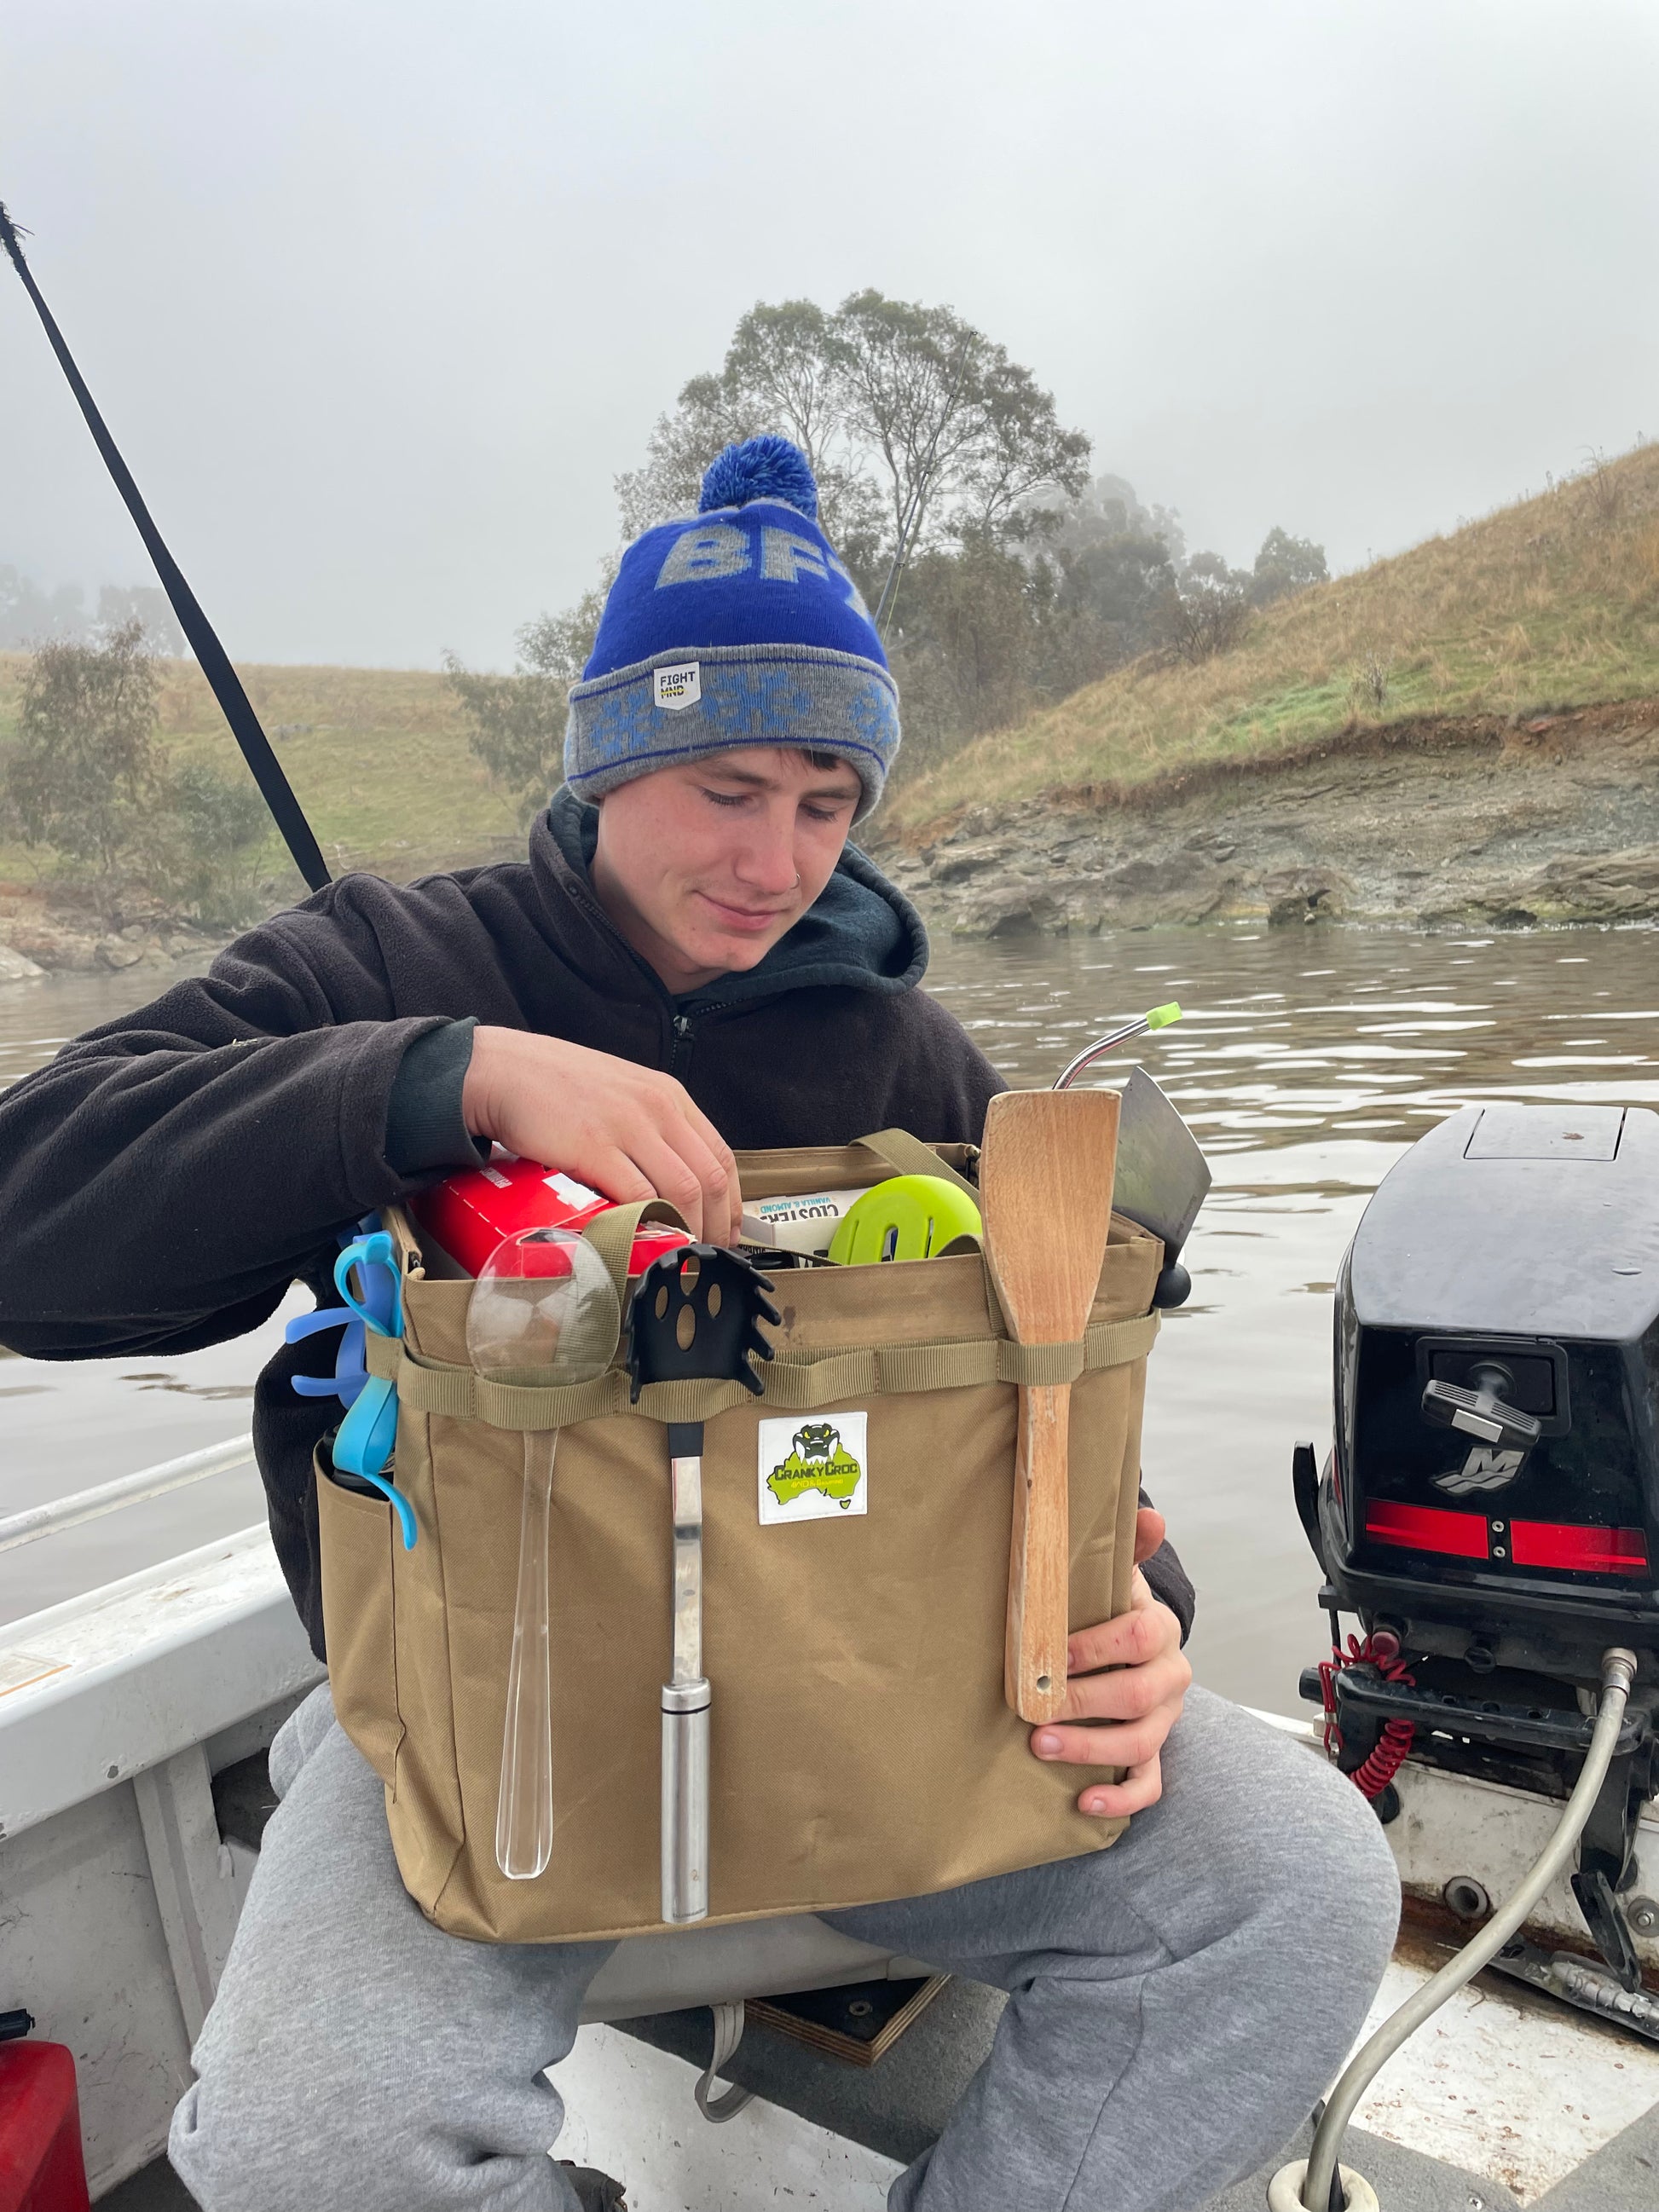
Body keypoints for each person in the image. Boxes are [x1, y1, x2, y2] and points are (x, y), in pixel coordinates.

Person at [0, 437, 1398, 2212]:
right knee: (308, 2149)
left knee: (1301, 1880)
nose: (776, 861)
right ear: (604, 767)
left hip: (880, 1714)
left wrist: (1139, 1616)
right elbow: (24, 1209)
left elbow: (1045, 1436)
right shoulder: (390, 960)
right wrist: (438, 1077)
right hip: (480, 1740)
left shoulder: (908, 1060)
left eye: (827, 802)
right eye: (726, 788)